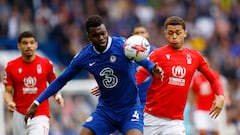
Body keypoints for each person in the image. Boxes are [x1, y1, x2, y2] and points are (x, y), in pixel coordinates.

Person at [24, 15, 163, 135]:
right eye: (96, 35)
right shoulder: (84, 57)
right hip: (106, 111)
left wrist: (152, 68)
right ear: (89, 37)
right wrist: (38, 101)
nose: (101, 37)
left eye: (103, 33)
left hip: (130, 109)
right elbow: (61, 80)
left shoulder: (122, 45)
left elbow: (144, 61)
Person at [135, 16, 225, 135]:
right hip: (151, 118)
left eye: (178, 33)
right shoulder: (156, 55)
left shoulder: (195, 57)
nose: (174, 36)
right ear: (165, 34)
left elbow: (212, 78)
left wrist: (220, 95)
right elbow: (138, 78)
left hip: (175, 121)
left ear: (185, 33)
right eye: (171, 33)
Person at [3, 31, 64, 135]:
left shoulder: (46, 64)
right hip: (19, 114)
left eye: (31, 43)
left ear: (36, 45)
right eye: (25, 43)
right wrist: (9, 102)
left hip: (40, 115)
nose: (29, 46)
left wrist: (58, 95)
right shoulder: (11, 66)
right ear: (19, 46)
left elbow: (54, 85)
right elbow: (7, 91)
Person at [189, 70, 230, 135]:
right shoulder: (196, 78)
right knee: (201, 130)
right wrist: (191, 108)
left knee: (216, 131)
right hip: (201, 109)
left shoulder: (214, 75)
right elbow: (194, 93)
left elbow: (219, 87)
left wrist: (225, 97)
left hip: (212, 108)